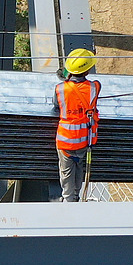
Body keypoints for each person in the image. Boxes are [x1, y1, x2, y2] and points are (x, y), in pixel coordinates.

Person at [54, 47, 101, 202]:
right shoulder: (95, 87)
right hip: (84, 142)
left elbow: (56, 106)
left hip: (65, 142)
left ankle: (68, 200)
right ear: (87, 71)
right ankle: (76, 195)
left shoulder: (60, 89)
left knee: (66, 173)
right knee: (79, 168)